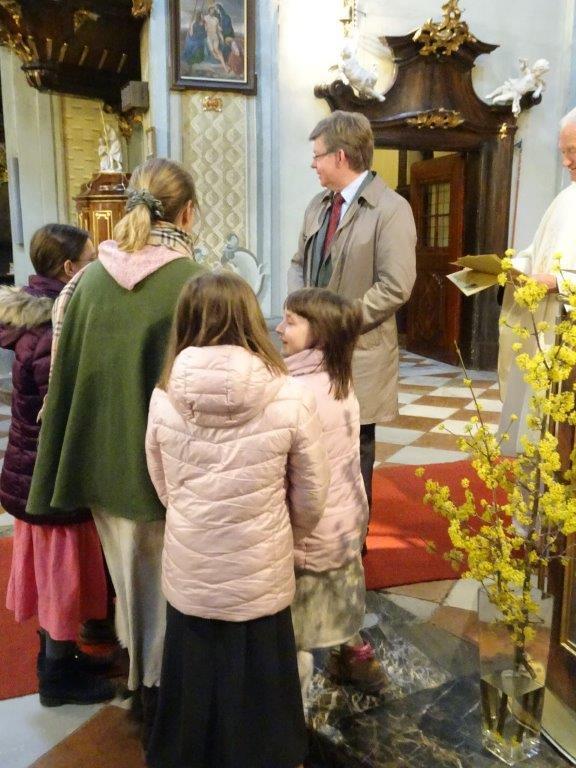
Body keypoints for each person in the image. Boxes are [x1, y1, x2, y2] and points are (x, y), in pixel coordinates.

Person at [26, 159, 204, 738]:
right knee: (166, 585)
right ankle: (157, 692)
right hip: (166, 470)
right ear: (187, 213)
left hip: (99, 463)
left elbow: (63, 377)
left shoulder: (85, 282)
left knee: (128, 581)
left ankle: (139, 680)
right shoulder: (195, 282)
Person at [145, 272, 330, 768]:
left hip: (192, 563)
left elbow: (162, 483)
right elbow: (312, 493)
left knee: (193, 669)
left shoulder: (164, 394)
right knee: (260, 676)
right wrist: (282, 533)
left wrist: (194, 519)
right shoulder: (288, 393)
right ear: (251, 318)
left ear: (185, 321)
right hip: (259, 565)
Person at [0, 224, 115, 706]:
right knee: (59, 577)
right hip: (49, 477)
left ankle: (63, 658)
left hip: (34, 473)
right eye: (91, 259)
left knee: (58, 573)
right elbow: (59, 410)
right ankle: (56, 676)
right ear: (70, 269)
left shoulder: (44, 317)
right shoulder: (54, 328)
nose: (97, 267)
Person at [288, 110, 416, 515]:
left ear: (340, 156)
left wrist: (337, 323)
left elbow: (395, 286)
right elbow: (297, 264)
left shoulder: (391, 209)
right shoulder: (317, 206)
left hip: (359, 352)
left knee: (354, 452)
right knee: (310, 443)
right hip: (312, 350)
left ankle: (353, 538)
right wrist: (298, 313)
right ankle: (314, 531)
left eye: (317, 155)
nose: (313, 163)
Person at [276, 288, 386, 702]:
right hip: (342, 521)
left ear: (319, 333)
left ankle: (291, 712)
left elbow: (295, 477)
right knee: (339, 597)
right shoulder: (337, 379)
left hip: (311, 528)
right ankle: (355, 658)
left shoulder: (298, 391)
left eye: (290, 322)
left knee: (299, 626)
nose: (279, 328)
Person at [498, 107, 576, 453]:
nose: (566, 161)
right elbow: (538, 250)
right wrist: (511, 267)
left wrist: (559, 282)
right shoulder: (566, 198)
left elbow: (560, 272)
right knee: (536, 422)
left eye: (572, 151)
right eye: (563, 151)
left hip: (566, 332)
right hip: (544, 327)